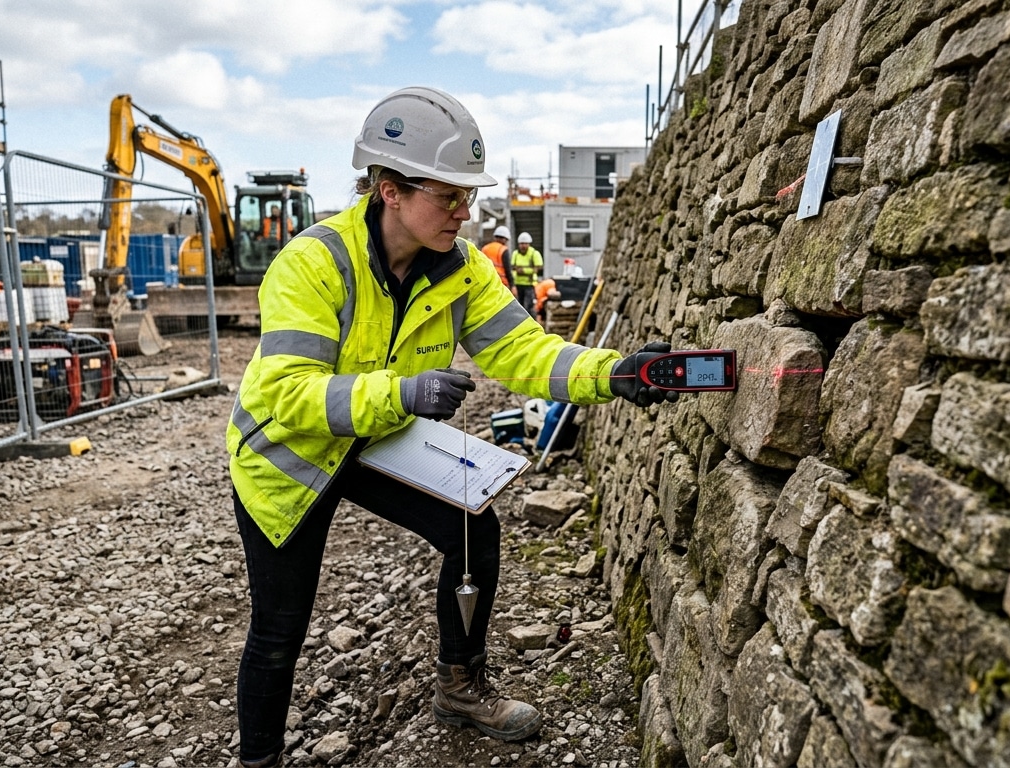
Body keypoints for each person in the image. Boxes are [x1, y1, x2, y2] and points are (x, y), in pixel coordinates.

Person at [224, 85, 678, 766]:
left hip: (373, 436)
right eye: (449, 196)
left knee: (473, 530)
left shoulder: (460, 268)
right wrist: (405, 393)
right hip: (288, 457)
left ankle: (458, 686)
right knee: (280, 628)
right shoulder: (313, 265)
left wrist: (613, 374)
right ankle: (258, 760)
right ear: (389, 190)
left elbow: (523, 350)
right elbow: (289, 395)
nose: (465, 213)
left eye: (467, 196)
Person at [510, 232, 543, 314]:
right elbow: (512, 267)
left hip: (529, 284)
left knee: (528, 307)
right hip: (518, 284)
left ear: (529, 244)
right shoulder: (515, 254)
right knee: (517, 306)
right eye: (521, 244)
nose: (523, 246)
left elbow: (538, 267)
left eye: (525, 244)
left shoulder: (534, 254)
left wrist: (523, 271)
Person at [480, 225, 514, 291]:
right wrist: (512, 285)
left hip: (486, 281)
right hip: (501, 282)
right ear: (504, 239)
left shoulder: (485, 248)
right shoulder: (503, 249)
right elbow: (508, 269)